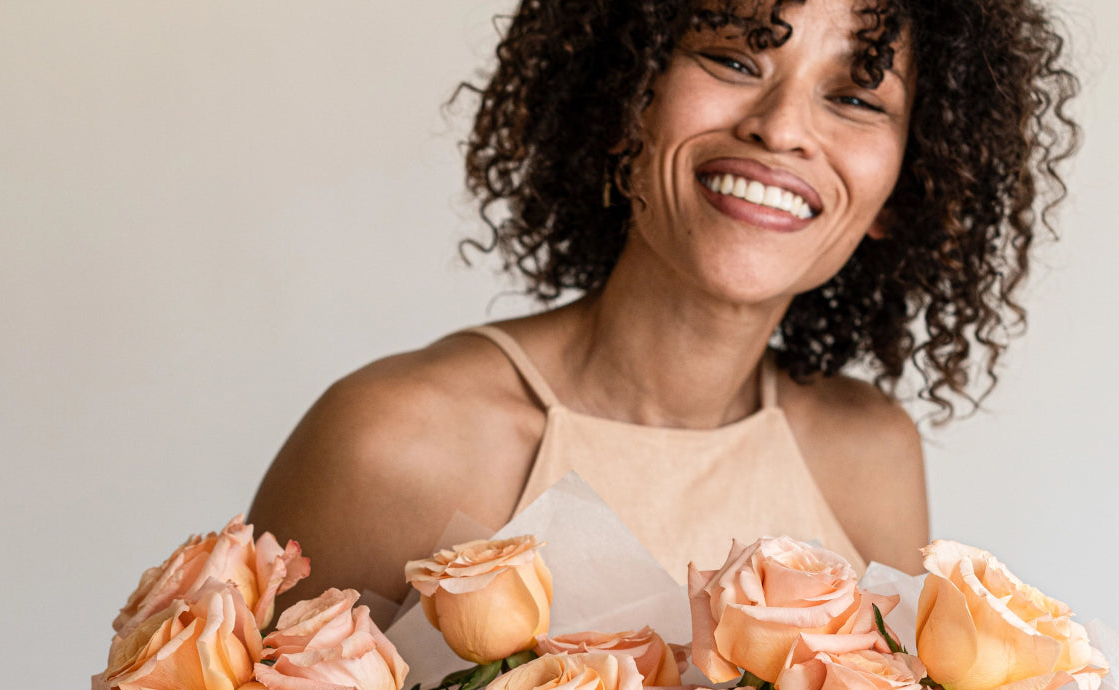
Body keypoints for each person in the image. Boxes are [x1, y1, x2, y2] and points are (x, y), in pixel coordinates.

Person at [249, 0, 1078, 619]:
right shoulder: (392, 441)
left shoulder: (871, 457)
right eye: (735, 60)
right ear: (628, 98)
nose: (781, 129)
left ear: (908, 180)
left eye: (857, 99)